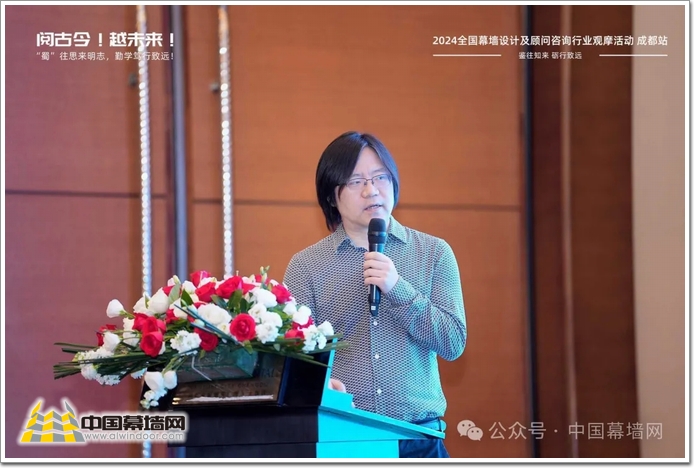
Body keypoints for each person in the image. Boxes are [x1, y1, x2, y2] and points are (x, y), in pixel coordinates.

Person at [283, 131, 467, 459]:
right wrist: (319, 384)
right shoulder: (306, 266)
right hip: (343, 439)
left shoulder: (433, 253)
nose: (372, 190)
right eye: (356, 182)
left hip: (419, 440)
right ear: (331, 196)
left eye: (380, 177)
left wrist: (398, 288)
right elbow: (293, 360)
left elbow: (453, 343)